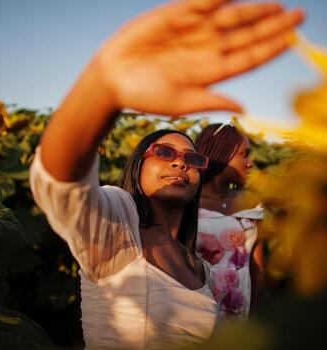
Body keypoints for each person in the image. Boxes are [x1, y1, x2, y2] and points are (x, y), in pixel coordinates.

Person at [29, 0, 304, 348]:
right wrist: (104, 85)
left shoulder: (198, 265)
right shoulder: (118, 227)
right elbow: (61, 183)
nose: (181, 164)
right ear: (137, 165)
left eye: (193, 160)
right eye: (164, 153)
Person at [195, 122, 265, 320]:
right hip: (197, 310)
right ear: (221, 154)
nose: (250, 163)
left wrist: (255, 319)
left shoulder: (251, 203)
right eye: (244, 154)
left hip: (239, 309)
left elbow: (257, 268)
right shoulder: (186, 203)